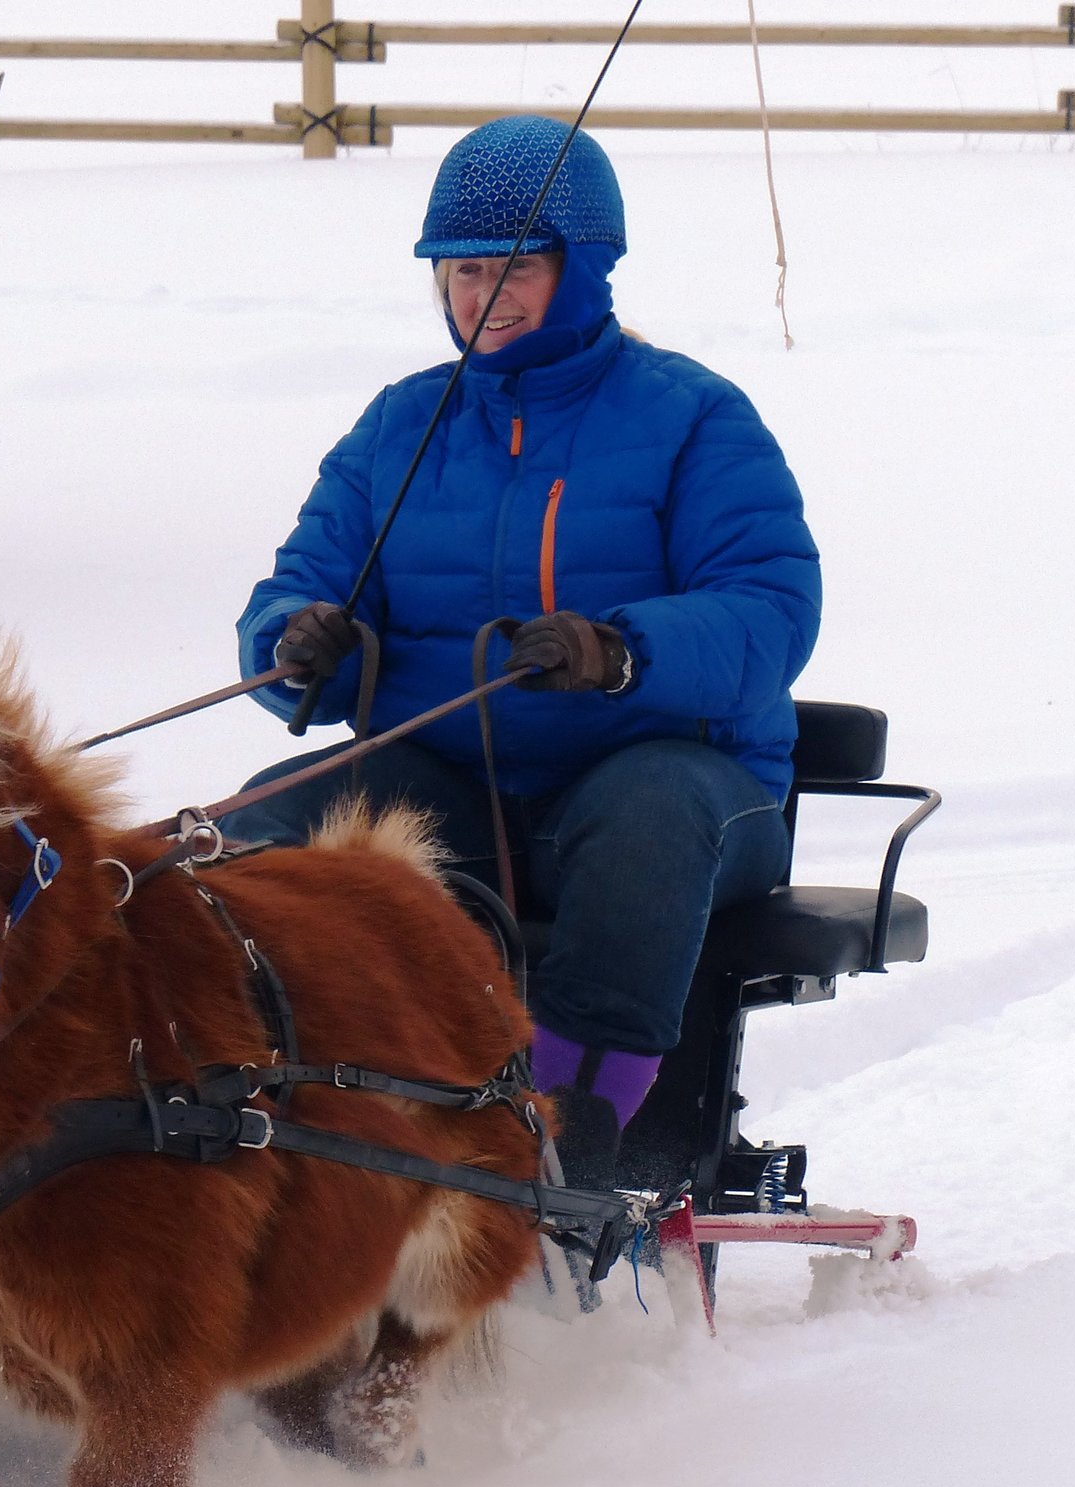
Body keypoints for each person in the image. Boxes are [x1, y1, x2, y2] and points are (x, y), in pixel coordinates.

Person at [221, 116, 819, 1189]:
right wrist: (300, 642)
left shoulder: (693, 417)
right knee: (269, 820)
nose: (480, 296)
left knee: (646, 818)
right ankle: (249, 1105)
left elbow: (772, 609)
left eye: (513, 269)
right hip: (458, 785)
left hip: (679, 784)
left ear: (580, 269)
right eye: (459, 272)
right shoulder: (398, 428)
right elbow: (301, 581)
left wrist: (621, 652)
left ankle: (566, 1142)